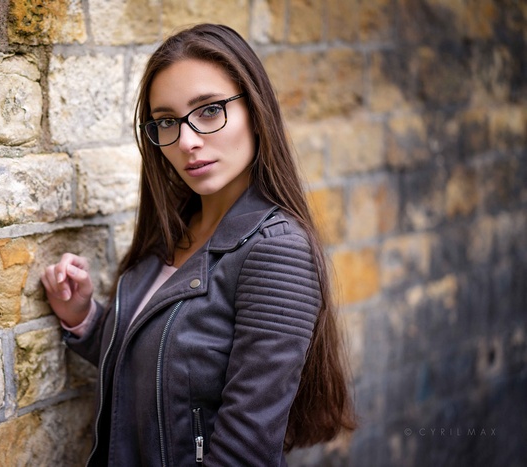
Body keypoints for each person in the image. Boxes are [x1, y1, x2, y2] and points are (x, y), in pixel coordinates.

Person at [41, 23, 356, 466]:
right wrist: (85, 319)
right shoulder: (170, 231)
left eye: (209, 110)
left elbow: (244, 451)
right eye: (167, 121)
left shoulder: (276, 250)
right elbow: (157, 369)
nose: (187, 141)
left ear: (255, 109)